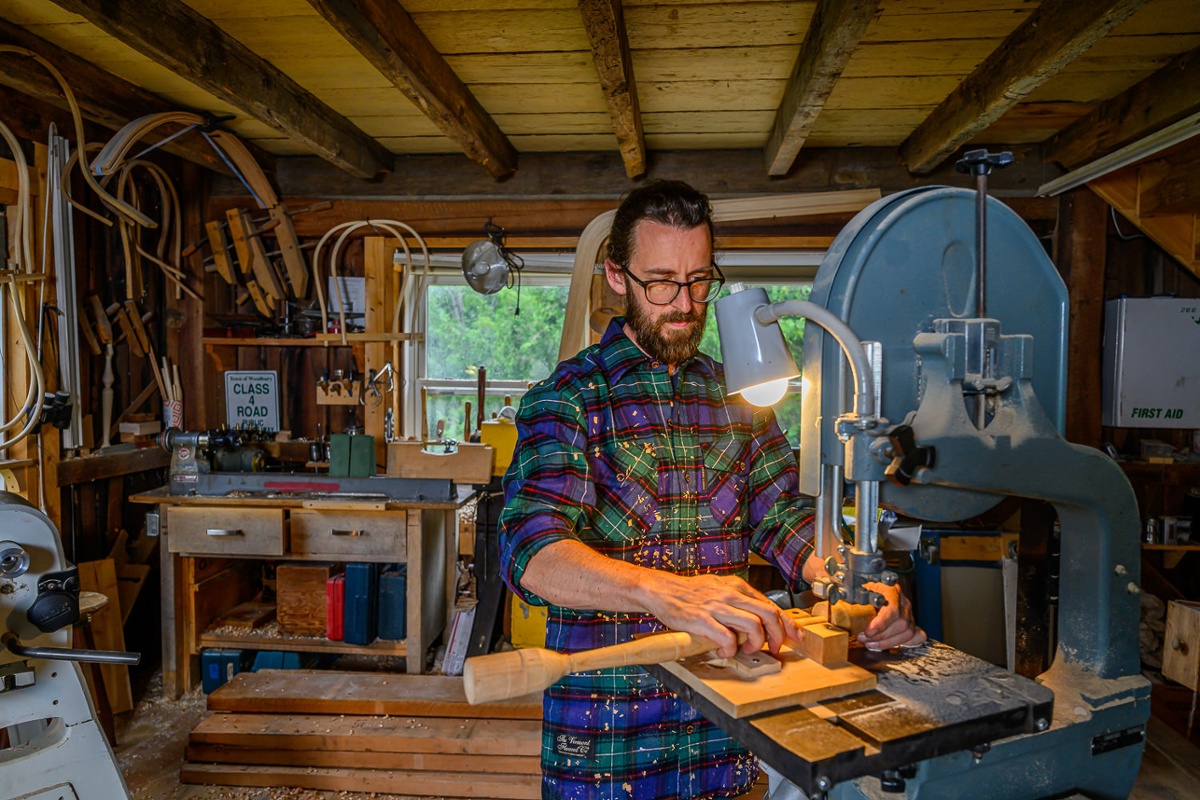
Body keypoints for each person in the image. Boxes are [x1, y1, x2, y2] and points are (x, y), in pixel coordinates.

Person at [497, 180, 924, 800]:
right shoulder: (569, 399)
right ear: (618, 276)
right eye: (663, 281)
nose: (685, 304)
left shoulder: (740, 397)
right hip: (612, 736)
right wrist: (664, 593)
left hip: (725, 728)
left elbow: (782, 516)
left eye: (700, 280)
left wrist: (850, 582)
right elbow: (530, 550)